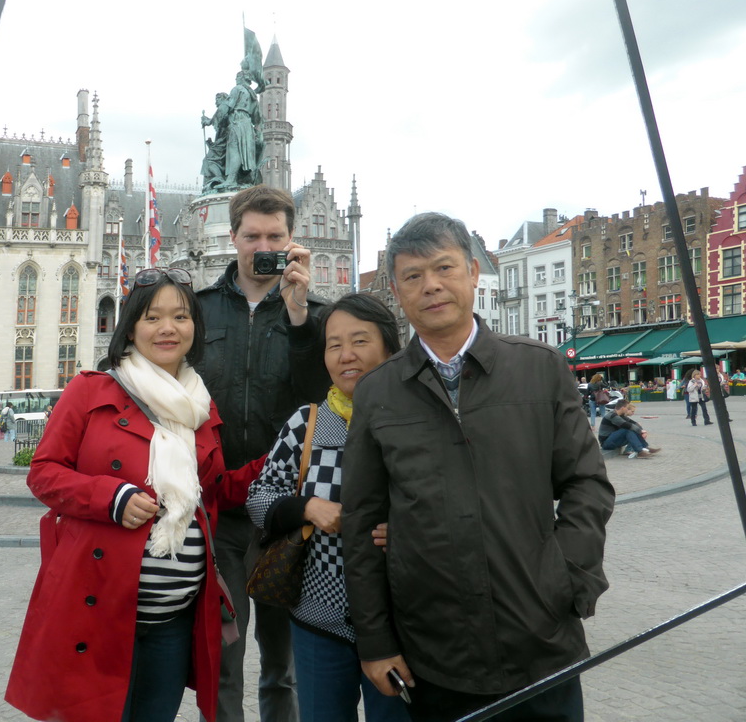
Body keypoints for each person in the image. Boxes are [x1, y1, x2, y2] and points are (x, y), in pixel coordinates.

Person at [341, 212, 615, 722]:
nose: (432, 286)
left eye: (443, 269)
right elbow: (359, 522)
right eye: (413, 277)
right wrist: (376, 641)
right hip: (437, 652)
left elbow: (587, 484)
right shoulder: (379, 392)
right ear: (397, 293)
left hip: (541, 640)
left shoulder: (539, 367)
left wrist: (567, 577)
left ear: (472, 272)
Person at [5, 267, 261, 722]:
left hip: (174, 620)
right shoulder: (90, 390)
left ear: (194, 329)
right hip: (99, 611)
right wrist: (112, 498)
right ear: (131, 328)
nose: (168, 328)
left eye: (181, 317)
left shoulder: (199, 404)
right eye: (152, 317)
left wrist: (281, 460)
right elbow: (43, 473)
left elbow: (215, 490)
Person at [194, 184, 329, 722]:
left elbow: (322, 401)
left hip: (286, 518)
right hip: (221, 514)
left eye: (275, 236)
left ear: (292, 240)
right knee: (223, 659)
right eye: (252, 235)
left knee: (282, 664)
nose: (263, 246)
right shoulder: (198, 312)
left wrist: (299, 320)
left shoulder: (317, 318)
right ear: (233, 238)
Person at [247, 293, 409, 722]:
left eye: (360, 341)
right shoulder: (309, 422)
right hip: (320, 620)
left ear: (390, 348)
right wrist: (306, 507)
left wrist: (412, 529)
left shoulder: (417, 419)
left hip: (403, 621)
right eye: (334, 345)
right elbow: (259, 498)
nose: (346, 355)